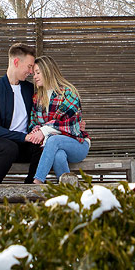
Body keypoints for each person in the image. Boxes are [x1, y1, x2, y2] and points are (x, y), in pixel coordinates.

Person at [0, 43, 42, 184]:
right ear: (16, 62)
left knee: (43, 145)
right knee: (9, 147)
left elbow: (45, 111)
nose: (31, 72)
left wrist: (74, 120)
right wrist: (24, 137)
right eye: (29, 66)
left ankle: (30, 190)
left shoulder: (29, 89)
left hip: (22, 145)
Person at [25, 54, 90, 184]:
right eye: (34, 74)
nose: (35, 77)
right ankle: (68, 194)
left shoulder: (68, 92)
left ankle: (37, 182)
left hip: (77, 144)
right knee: (58, 156)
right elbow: (34, 124)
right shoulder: (38, 98)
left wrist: (44, 131)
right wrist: (39, 131)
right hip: (53, 146)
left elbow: (70, 124)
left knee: (54, 140)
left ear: (48, 71)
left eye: (38, 72)